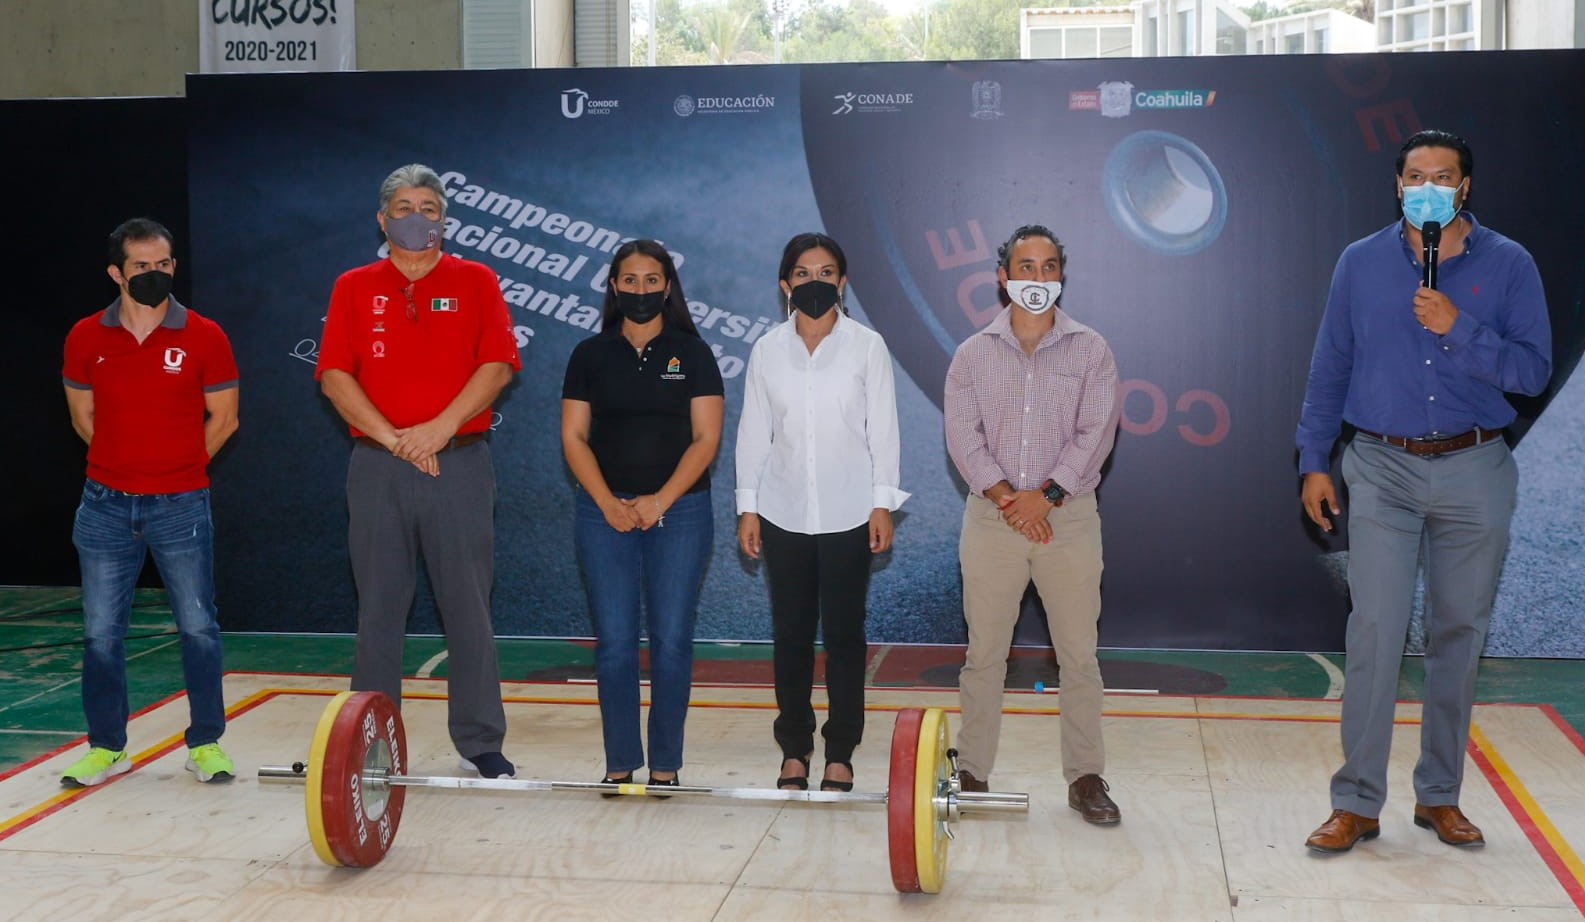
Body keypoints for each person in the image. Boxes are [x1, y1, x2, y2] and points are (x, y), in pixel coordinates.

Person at [1297, 130, 1551, 853]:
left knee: (1458, 634)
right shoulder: (1360, 262)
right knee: (1375, 630)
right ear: (1398, 185)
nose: (1428, 188)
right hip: (1381, 465)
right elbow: (1330, 365)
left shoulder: (1509, 263)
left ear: (1464, 187)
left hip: (1476, 466)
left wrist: (1458, 327)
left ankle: (1439, 795)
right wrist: (1314, 458)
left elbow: (1532, 372)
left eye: (1443, 176)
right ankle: (1356, 802)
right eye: (1416, 176)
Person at [316, 163, 521, 780]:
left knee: (468, 606)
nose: (416, 218)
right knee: (379, 608)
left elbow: (497, 364)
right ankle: (372, 740)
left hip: (459, 464)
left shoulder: (477, 279)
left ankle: (481, 741)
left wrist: (439, 429)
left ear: (444, 220)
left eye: (429, 208)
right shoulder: (353, 286)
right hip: (378, 467)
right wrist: (396, 439)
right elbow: (334, 375)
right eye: (404, 208)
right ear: (382, 219)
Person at [943, 224, 1121, 823]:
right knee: (984, 654)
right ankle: (971, 771)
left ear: (1061, 276)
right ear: (1003, 277)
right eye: (1026, 266)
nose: (1037, 277)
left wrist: (1044, 498)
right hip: (992, 521)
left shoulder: (1092, 350)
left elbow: (1096, 433)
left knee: (1079, 656)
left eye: (1049, 267)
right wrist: (1010, 500)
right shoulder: (971, 355)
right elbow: (963, 437)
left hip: (1067, 520)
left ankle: (1086, 777)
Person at [60, 218, 240, 787]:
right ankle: (107, 748)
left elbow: (225, 419)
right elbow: (82, 417)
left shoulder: (205, 335)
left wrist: (176, 470)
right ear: (117, 273)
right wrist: (126, 467)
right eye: (142, 266)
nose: (155, 274)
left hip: (181, 505)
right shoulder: (84, 336)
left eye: (163, 264)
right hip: (105, 506)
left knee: (198, 626)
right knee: (100, 632)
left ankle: (205, 743)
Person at [736, 233, 909, 792]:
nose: (816, 282)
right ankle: (795, 748)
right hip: (782, 512)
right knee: (790, 635)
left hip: (849, 514)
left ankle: (840, 751)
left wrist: (882, 503)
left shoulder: (867, 347)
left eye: (827, 272)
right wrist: (747, 507)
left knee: (843, 637)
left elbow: (883, 432)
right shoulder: (767, 350)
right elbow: (753, 434)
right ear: (785, 285)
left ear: (843, 282)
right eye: (803, 274)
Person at [561, 239, 724, 790]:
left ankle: (666, 764)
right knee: (614, 642)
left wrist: (659, 501)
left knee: (672, 640)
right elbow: (574, 437)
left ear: (668, 287)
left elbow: (706, 439)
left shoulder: (693, 353)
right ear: (613, 287)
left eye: (651, 280)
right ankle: (620, 761)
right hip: (602, 515)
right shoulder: (589, 355)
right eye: (629, 280)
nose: (640, 290)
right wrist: (608, 502)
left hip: (680, 512)